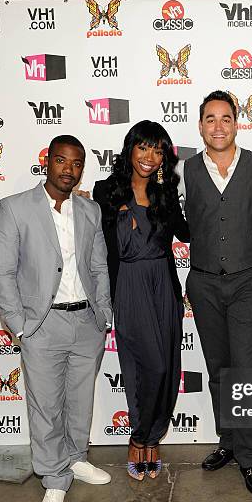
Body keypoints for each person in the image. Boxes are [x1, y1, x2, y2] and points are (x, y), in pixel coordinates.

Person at [0, 135, 113, 502]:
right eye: (61, 161)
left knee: (79, 401)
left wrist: (104, 315)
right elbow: (3, 271)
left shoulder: (90, 210)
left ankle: (75, 459)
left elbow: (98, 267)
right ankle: (54, 479)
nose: (68, 169)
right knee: (45, 407)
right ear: (48, 162)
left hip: (86, 322)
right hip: (41, 325)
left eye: (76, 163)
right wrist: (19, 324)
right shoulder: (15, 208)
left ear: (81, 169)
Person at [177, 90, 252, 495]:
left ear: (238, 122)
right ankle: (228, 442)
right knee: (220, 369)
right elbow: (152, 200)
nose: (218, 126)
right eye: (209, 118)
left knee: (244, 372)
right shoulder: (186, 170)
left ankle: (251, 457)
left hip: (248, 283)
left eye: (225, 118)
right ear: (200, 125)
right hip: (203, 283)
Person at [93, 121, 189, 482]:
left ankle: (152, 437)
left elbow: (188, 232)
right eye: (144, 148)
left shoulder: (166, 193)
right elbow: (95, 240)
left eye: (158, 150)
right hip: (129, 284)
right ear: (130, 149)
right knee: (146, 366)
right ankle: (138, 437)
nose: (150, 157)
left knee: (168, 365)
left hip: (163, 283)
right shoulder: (106, 190)